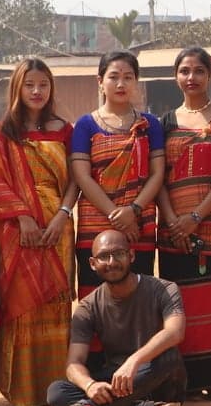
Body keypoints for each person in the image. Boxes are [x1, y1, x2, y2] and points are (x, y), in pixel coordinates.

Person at [0, 58, 78, 406]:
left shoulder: (64, 129)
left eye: (43, 84)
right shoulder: (3, 131)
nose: (37, 91)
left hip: (59, 226)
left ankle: (56, 386)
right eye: (29, 85)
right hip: (16, 230)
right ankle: (23, 390)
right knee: (21, 304)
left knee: (55, 301)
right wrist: (23, 217)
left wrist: (61, 217)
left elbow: (74, 182)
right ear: (17, 89)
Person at [157, 47, 211, 401]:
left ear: (210, 74)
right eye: (184, 71)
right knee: (179, 302)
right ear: (176, 76)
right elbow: (158, 176)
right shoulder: (164, 123)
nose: (191, 78)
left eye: (198, 71)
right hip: (173, 229)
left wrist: (196, 217)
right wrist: (175, 219)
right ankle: (183, 380)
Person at [49, 230, 186, 406]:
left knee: (170, 356)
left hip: (156, 380)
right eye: (104, 256)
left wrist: (134, 361)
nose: (112, 262)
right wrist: (89, 386)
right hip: (116, 381)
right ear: (93, 263)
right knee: (57, 392)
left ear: (131, 256)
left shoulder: (163, 289)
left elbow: (175, 332)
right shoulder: (88, 306)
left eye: (119, 254)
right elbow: (74, 363)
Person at [69, 51, 166, 292]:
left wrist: (133, 211)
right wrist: (117, 216)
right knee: (95, 300)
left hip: (138, 227)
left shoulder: (149, 124)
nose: (121, 84)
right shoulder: (85, 125)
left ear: (136, 82)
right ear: (100, 81)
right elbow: (82, 176)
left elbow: (157, 173)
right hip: (95, 224)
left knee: (139, 299)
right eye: (113, 77)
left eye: (128, 77)